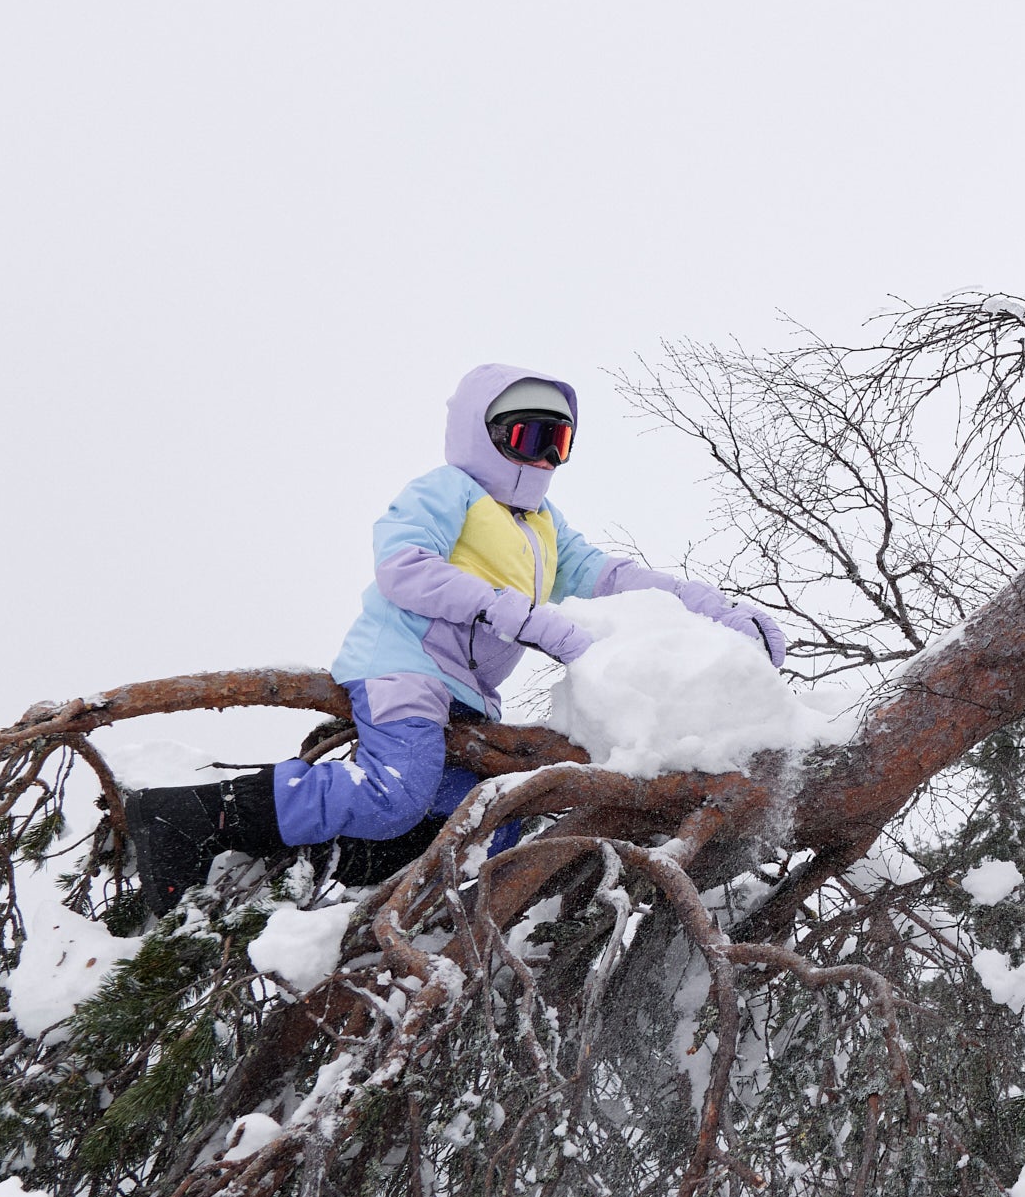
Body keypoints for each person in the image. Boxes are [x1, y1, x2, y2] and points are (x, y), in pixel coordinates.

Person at [123, 363, 789, 911]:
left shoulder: (543, 526)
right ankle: (188, 816)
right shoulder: (449, 491)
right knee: (394, 794)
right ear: (482, 433)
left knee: (486, 815)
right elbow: (403, 568)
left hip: (467, 697)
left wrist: (721, 613)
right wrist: (521, 617)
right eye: (524, 437)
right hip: (402, 665)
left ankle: (384, 898)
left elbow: (615, 578)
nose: (539, 457)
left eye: (555, 444)